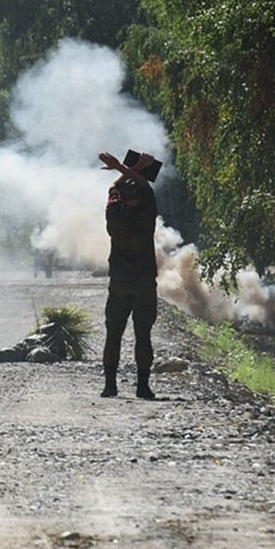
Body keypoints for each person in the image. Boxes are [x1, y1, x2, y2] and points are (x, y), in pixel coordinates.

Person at [97, 150, 159, 400]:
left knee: (113, 335)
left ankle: (110, 386)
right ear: (141, 200)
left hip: (120, 286)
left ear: (122, 199)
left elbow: (114, 187)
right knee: (143, 337)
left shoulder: (114, 216)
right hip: (144, 286)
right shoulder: (147, 215)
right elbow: (143, 184)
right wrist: (137, 166)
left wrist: (119, 168)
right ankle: (143, 387)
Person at [0, 322, 73, 364]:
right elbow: (60, 353)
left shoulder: (33, 335)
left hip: (20, 347)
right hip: (35, 349)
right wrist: (59, 359)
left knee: (0, 355)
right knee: (39, 354)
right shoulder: (54, 338)